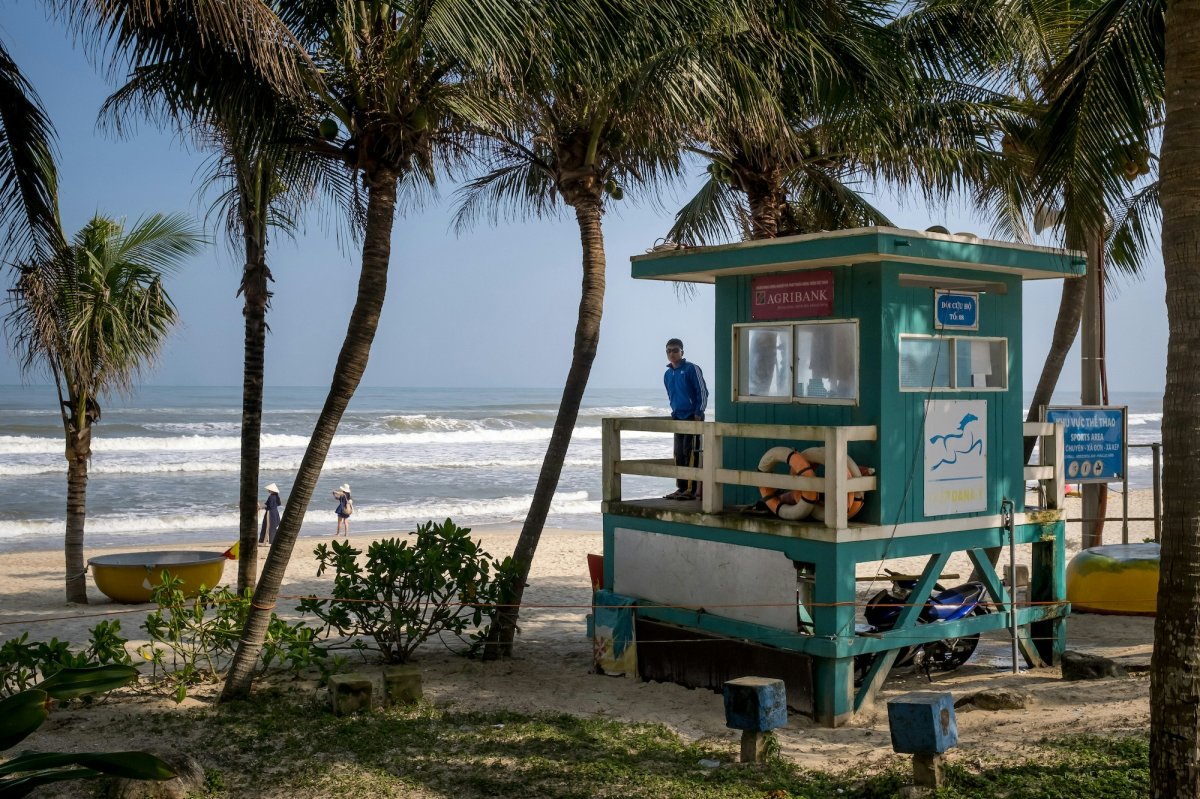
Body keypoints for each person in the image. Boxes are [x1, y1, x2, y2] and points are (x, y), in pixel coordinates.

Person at [663, 337, 708, 500]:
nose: (672, 354)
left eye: (675, 350)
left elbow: (702, 392)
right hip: (677, 417)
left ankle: (691, 489)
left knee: (691, 453)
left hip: (692, 416)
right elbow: (671, 395)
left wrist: (699, 411)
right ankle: (681, 488)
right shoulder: (668, 374)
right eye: (669, 351)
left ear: (682, 352)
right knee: (678, 453)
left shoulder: (691, 369)